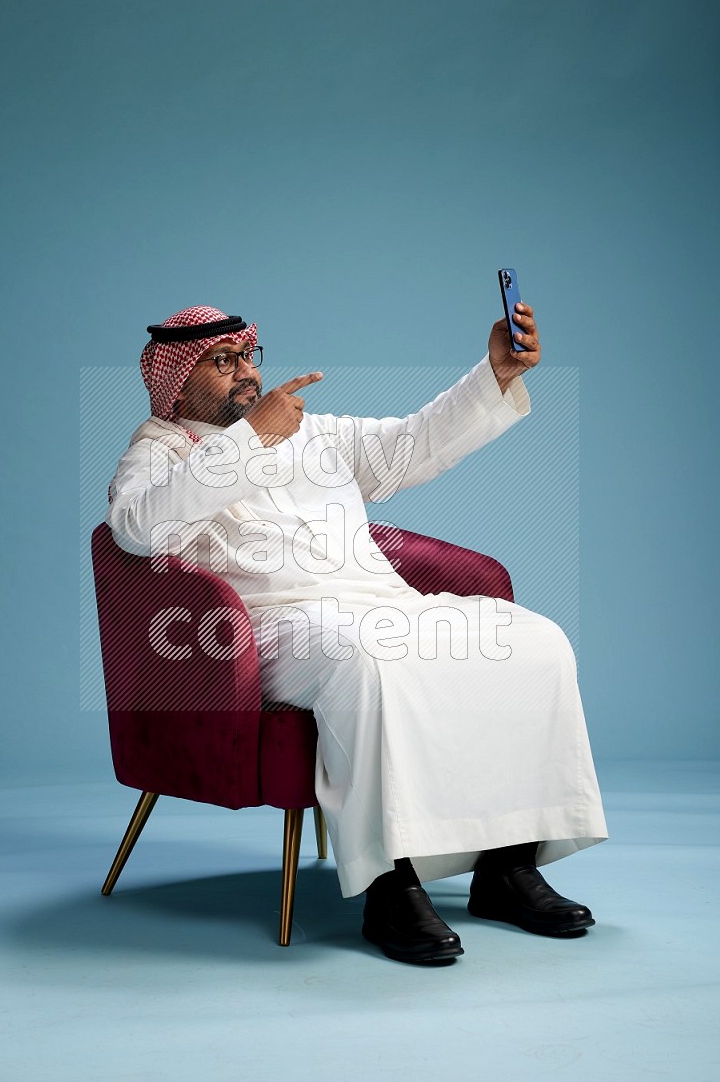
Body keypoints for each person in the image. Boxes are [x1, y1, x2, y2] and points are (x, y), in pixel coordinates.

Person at [106, 303, 608, 965]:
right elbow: (136, 528)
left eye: (247, 356)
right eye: (221, 363)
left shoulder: (311, 433)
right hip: (271, 628)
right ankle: (389, 886)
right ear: (174, 382)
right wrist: (249, 439)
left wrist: (494, 373)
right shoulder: (159, 450)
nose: (245, 373)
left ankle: (509, 867)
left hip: (380, 602)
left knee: (531, 642)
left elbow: (411, 444)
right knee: (367, 661)